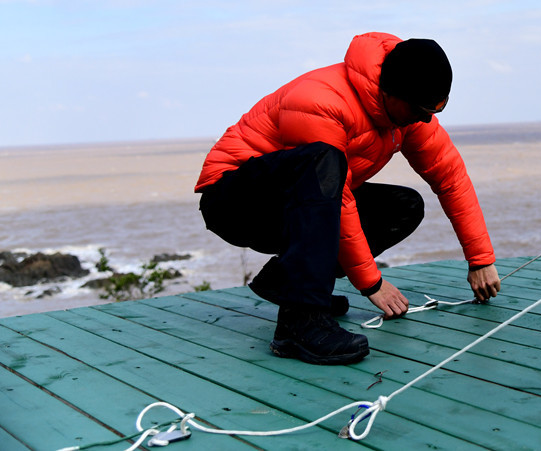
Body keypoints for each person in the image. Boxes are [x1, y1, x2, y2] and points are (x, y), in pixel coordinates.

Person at [194, 32, 501, 365]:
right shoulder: (319, 100)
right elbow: (337, 200)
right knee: (323, 161)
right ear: (390, 91)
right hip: (234, 200)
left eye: (433, 111)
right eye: (421, 109)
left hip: (300, 200)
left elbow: (450, 177)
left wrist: (480, 259)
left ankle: (285, 281)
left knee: (404, 206)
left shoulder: (409, 117)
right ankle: (300, 323)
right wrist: (372, 284)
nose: (425, 119)